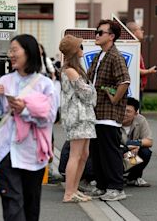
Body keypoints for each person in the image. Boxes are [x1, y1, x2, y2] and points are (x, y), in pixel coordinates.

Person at [0, 34, 56, 221]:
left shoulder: (45, 84)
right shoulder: (5, 81)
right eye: (10, 51)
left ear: (29, 52)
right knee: (12, 206)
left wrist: (25, 110)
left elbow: (49, 118)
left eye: (15, 50)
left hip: (33, 153)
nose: (11, 54)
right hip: (7, 152)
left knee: (31, 207)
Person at [87, 19, 131, 201]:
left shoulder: (115, 56)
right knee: (97, 151)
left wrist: (114, 99)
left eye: (100, 33)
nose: (96, 35)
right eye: (96, 32)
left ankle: (116, 187)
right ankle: (103, 185)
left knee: (110, 151)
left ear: (111, 36)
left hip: (109, 114)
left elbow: (124, 81)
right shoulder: (99, 56)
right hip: (96, 112)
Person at [59, 34, 97, 202]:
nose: (82, 49)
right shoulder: (70, 71)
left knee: (84, 154)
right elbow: (86, 93)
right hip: (78, 116)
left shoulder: (74, 70)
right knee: (76, 155)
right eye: (80, 47)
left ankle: (73, 189)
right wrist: (93, 89)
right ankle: (69, 193)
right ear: (74, 51)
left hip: (83, 116)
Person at [121, 97, 153, 187]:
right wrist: (128, 147)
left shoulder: (140, 119)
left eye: (128, 111)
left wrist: (137, 144)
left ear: (135, 114)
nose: (124, 113)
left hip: (130, 157)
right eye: (122, 109)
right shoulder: (113, 120)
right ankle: (117, 177)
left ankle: (133, 178)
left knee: (145, 151)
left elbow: (149, 141)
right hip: (116, 157)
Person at [126, 21, 157, 104]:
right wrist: (148, 71)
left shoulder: (135, 46)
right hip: (133, 88)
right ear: (133, 32)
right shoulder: (130, 47)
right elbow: (133, 68)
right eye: (140, 29)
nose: (143, 31)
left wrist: (148, 72)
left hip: (138, 87)